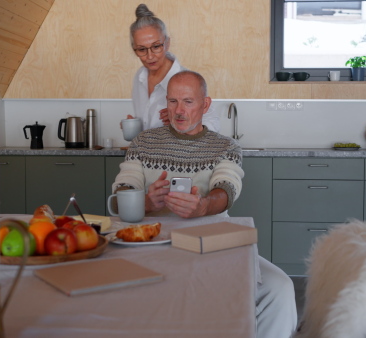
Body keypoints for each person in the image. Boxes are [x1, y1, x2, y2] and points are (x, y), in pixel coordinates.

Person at [112, 70, 297, 338]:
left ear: (205, 104)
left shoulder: (225, 147)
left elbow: (227, 187)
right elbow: (121, 192)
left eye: (188, 101)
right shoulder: (142, 143)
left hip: (214, 241)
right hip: (153, 244)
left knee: (280, 287)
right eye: (172, 101)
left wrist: (203, 206)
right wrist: (145, 202)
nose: (178, 110)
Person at [127, 3, 219, 132]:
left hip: (179, 152)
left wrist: (181, 121)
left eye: (156, 46)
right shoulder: (140, 77)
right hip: (147, 151)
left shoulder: (187, 79)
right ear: (134, 49)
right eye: (142, 49)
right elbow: (149, 128)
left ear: (167, 43)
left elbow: (213, 126)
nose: (150, 56)